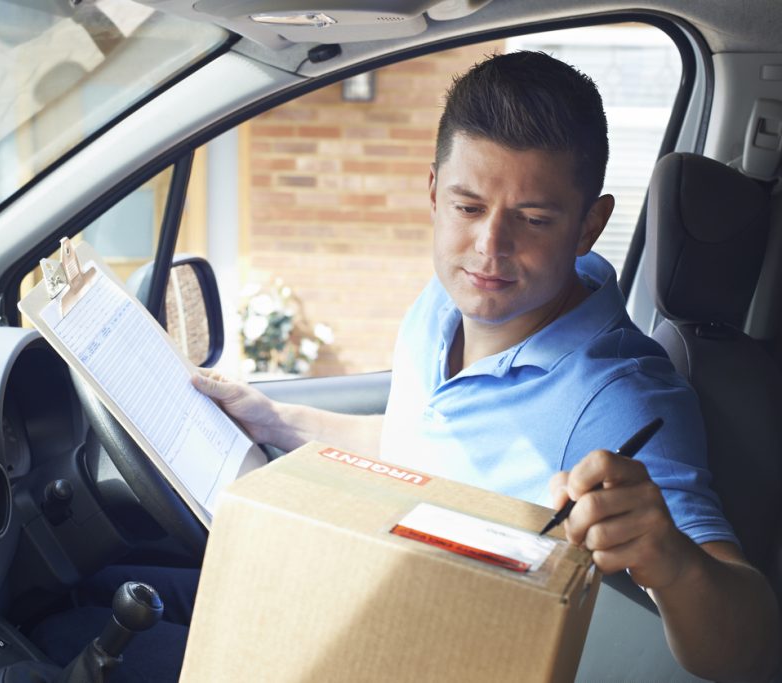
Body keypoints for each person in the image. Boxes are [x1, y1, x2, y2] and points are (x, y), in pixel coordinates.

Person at [191, 51, 780, 681]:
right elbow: (419, 448)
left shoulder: (622, 398)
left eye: (532, 219)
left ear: (590, 225)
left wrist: (673, 559)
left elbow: (751, 652)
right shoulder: (442, 301)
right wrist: (276, 418)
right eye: (468, 207)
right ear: (434, 194)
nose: (489, 248)